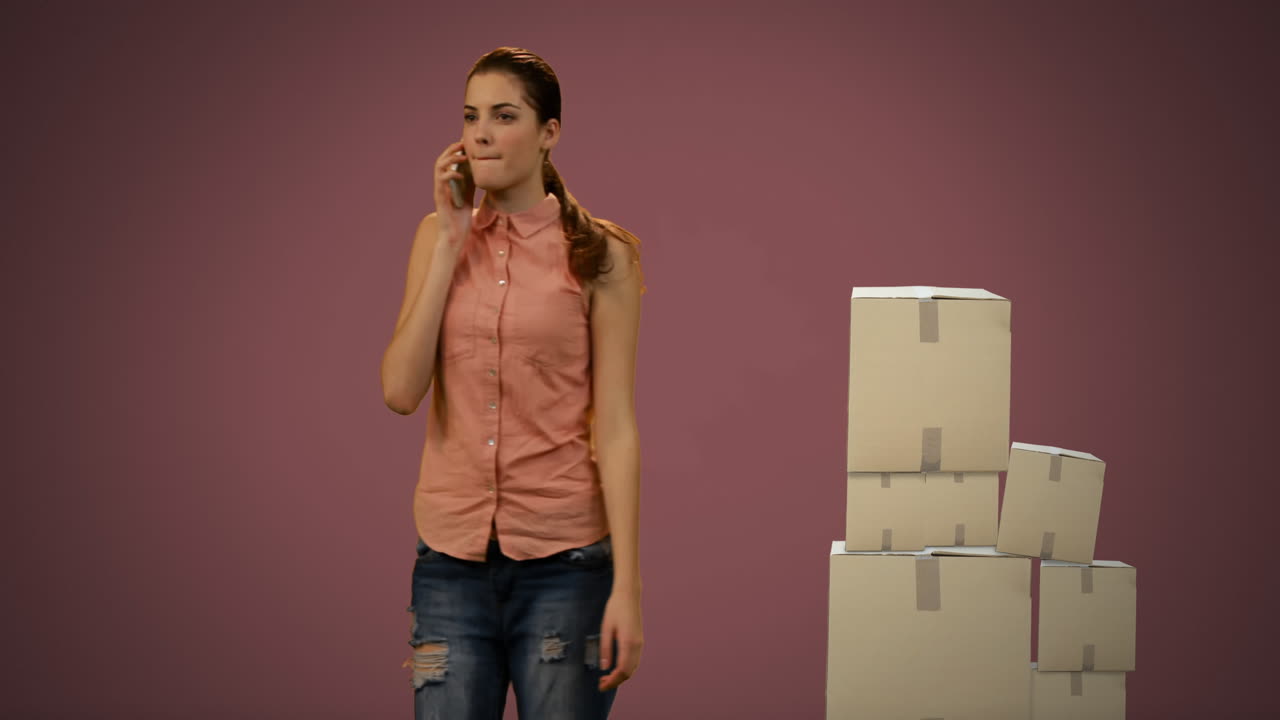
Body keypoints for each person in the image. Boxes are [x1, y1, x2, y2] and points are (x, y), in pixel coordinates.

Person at [380, 46, 645, 719]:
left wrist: (629, 590)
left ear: (548, 133)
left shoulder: (603, 256)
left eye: (504, 115)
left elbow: (615, 427)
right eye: (471, 116)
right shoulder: (433, 239)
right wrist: (448, 241)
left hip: (568, 564)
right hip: (449, 563)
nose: (482, 133)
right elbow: (400, 392)